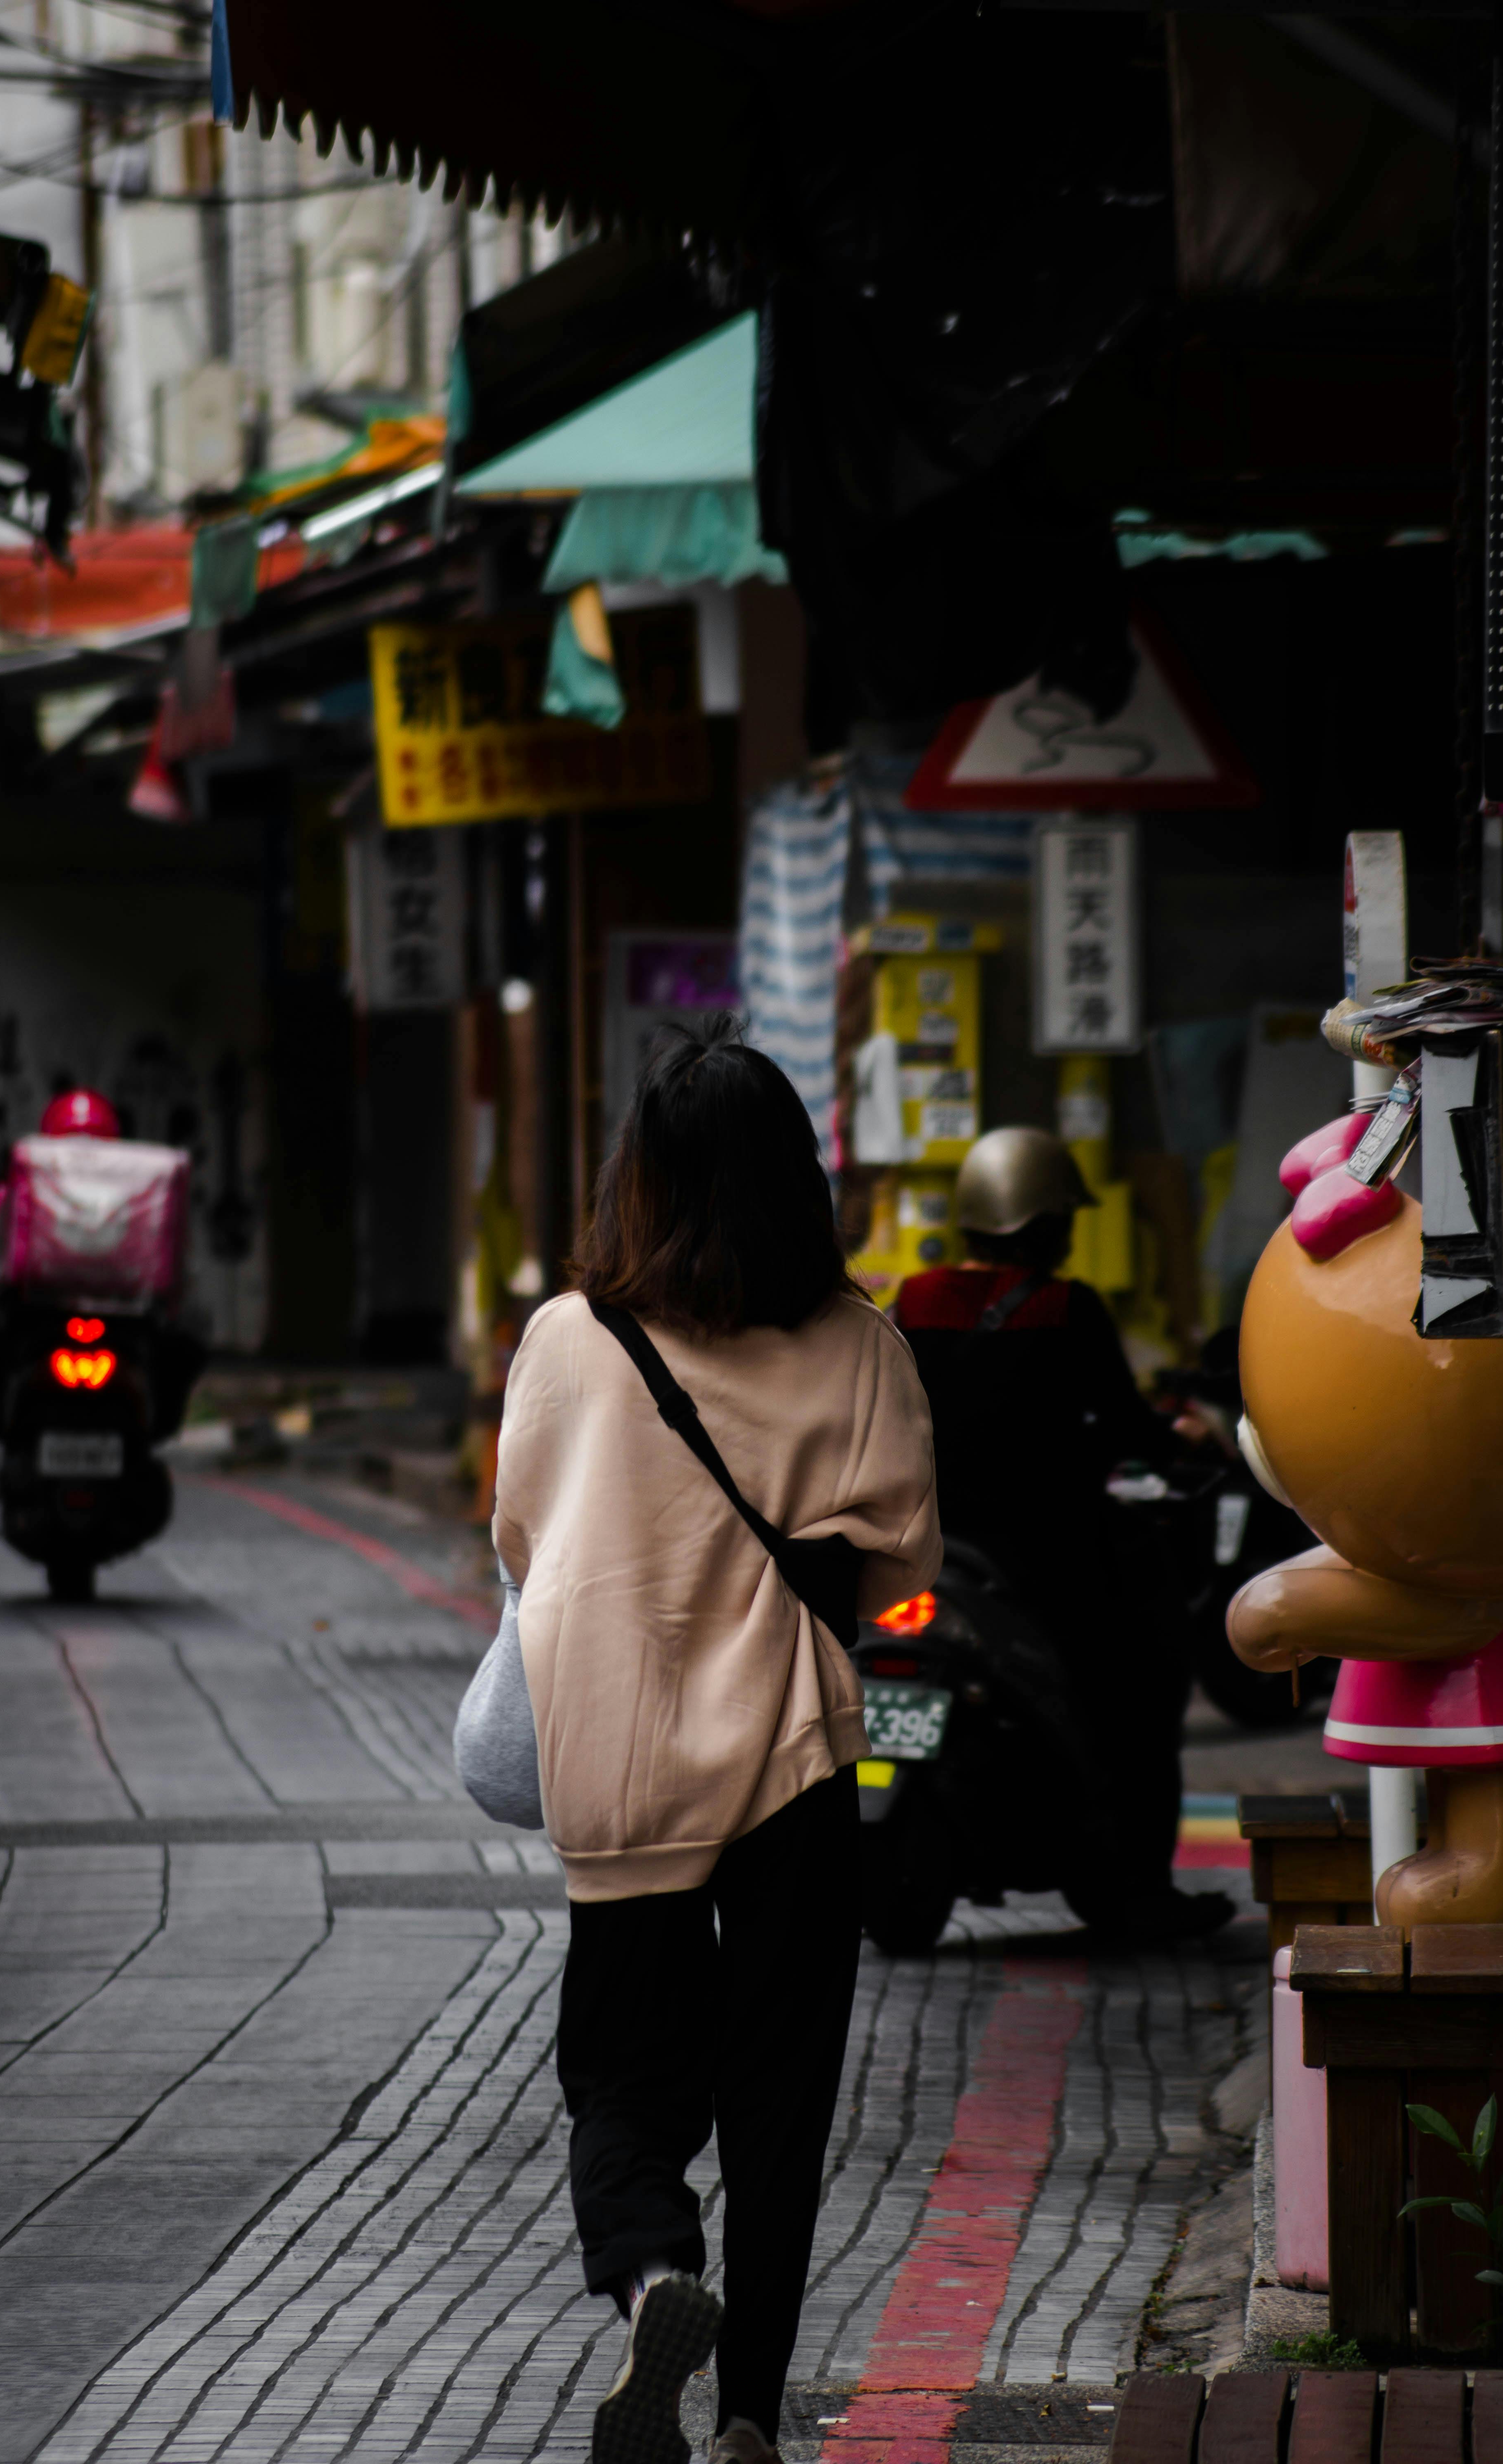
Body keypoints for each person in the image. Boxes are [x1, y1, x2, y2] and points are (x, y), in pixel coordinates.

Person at [493, 1016, 940, 2464]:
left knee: (622, 2080)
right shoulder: (863, 1346)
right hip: (795, 1769)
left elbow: (517, 1534)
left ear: (643, 1178)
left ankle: (649, 2273)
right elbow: (896, 1564)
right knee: (781, 2100)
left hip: (618, 1768)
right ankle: (750, 2411)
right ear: (795, 1181)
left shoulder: (570, 1339)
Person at [891, 1124, 1232, 1944]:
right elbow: (1122, 1429)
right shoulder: (1062, 1307)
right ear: (1039, 1226)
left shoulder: (911, 1301)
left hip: (930, 1552)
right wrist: (1181, 1439)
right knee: (1143, 1690)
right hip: (1050, 1560)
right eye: (1063, 1220)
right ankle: (1137, 1887)